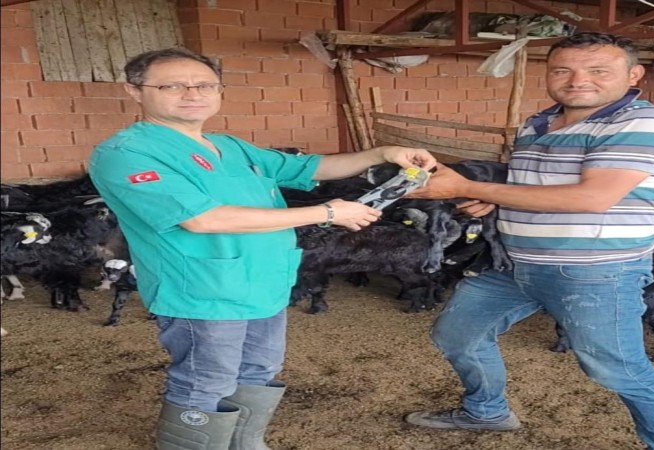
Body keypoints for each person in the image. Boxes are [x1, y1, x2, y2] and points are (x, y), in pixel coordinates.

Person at [88, 47, 436, 450]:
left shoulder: (230, 147)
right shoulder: (125, 154)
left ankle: (247, 443)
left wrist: (382, 153)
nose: (193, 94)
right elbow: (203, 219)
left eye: (205, 85)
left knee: (259, 368)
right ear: (134, 91)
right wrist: (326, 212)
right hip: (203, 290)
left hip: (263, 281)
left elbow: (311, 167)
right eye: (172, 86)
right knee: (206, 380)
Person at [403, 32, 654, 450]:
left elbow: (592, 198)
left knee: (617, 370)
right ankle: (486, 411)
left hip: (593, 270)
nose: (578, 80)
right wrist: (493, 200)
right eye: (562, 70)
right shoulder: (539, 122)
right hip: (513, 263)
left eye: (598, 70)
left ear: (634, 75)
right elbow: (537, 185)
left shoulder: (647, 122)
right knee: (459, 335)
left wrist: (469, 187)